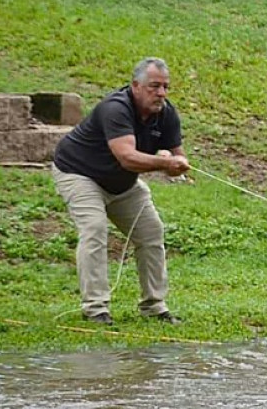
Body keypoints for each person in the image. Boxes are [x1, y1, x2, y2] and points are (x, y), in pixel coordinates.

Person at [51, 57, 190, 325]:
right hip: (79, 173)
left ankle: (154, 307)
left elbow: (178, 158)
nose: (161, 93)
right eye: (154, 86)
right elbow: (127, 157)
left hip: (122, 183)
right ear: (136, 85)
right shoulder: (115, 109)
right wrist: (164, 162)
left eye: (165, 87)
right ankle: (95, 309)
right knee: (94, 228)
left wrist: (177, 164)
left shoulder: (166, 113)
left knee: (151, 232)